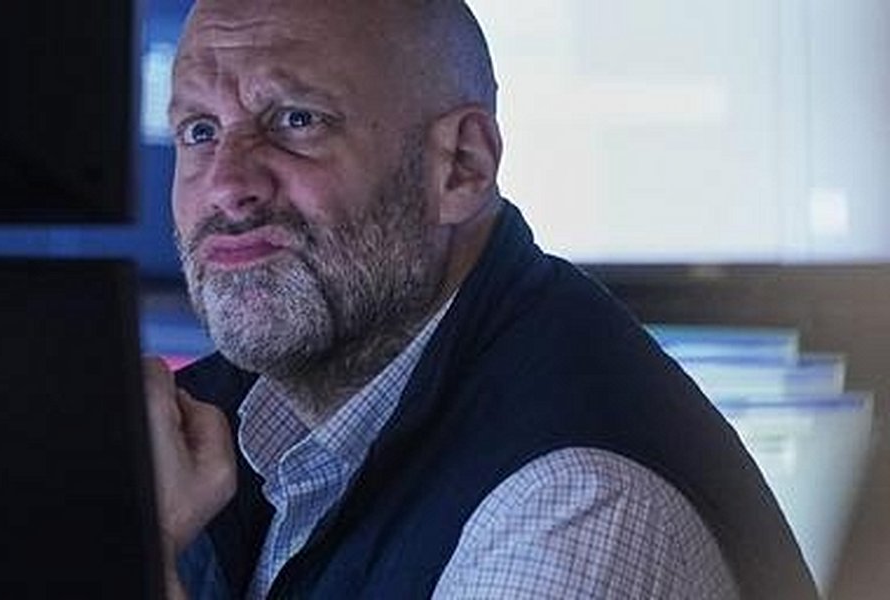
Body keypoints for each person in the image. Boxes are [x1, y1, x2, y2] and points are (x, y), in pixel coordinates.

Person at [143, 0, 816, 598]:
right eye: (200, 131)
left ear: (462, 166)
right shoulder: (242, 411)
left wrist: (143, 556)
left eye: (297, 121)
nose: (227, 185)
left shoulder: (575, 507)